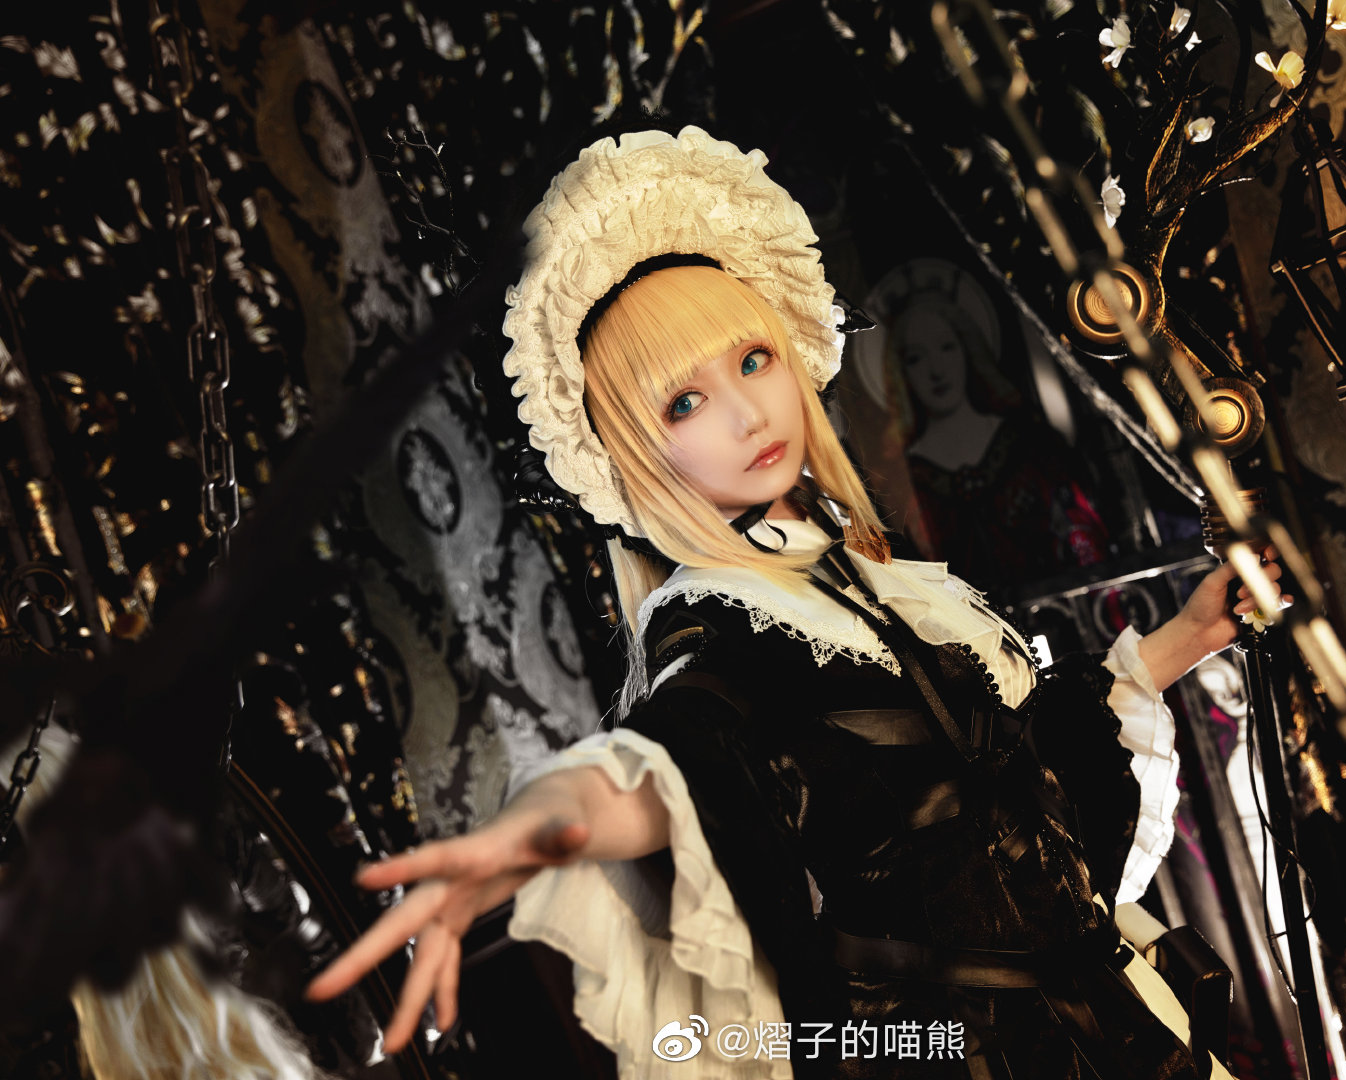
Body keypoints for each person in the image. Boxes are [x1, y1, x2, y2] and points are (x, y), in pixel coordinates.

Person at [306, 127, 1280, 1079]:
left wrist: (1187, 636)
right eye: (683, 402)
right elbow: (662, 769)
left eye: (751, 359)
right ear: (635, 451)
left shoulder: (858, 578)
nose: (745, 412)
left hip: (1123, 1025)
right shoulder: (716, 635)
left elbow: (1026, 780)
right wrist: (526, 836)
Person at [884, 291, 1111, 589]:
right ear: (900, 372)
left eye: (946, 347)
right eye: (916, 358)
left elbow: (1084, 535)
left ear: (967, 349)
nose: (936, 370)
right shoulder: (903, 480)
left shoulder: (1030, 441)